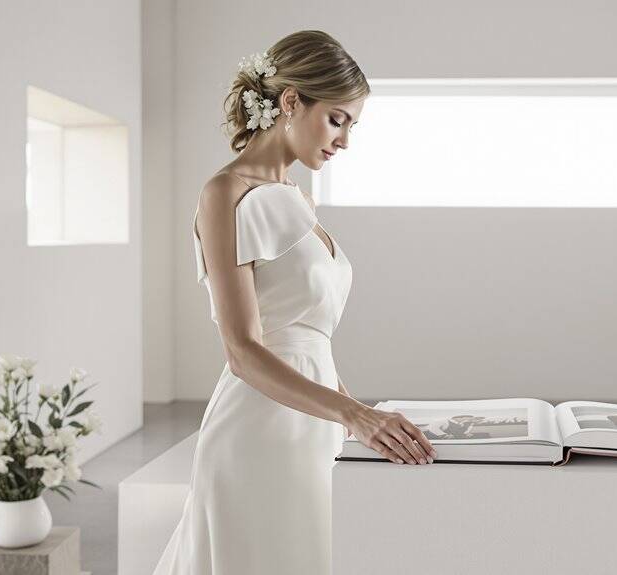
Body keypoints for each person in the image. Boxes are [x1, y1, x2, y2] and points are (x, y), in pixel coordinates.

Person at [154, 30, 437, 575]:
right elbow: (241, 350)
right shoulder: (224, 193)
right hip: (254, 431)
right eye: (337, 119)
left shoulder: (298, 201)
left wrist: (361, 416)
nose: (345, 140)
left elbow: (310, 340)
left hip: (316, 423)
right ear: (290, 101)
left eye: (352, 125)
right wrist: (353, 414)